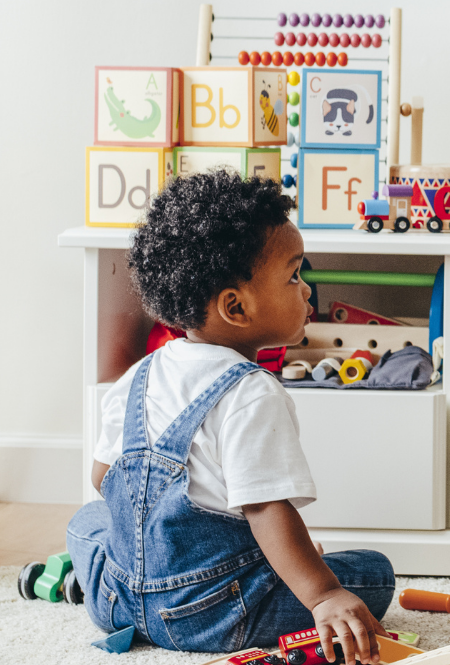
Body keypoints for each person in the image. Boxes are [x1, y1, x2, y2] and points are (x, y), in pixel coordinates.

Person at [63, 171, 394, 659]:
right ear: (235, 306)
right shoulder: (251, 393)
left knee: (87, 522)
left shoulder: (141, 373)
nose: (306, 291)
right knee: (372, 574)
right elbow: (266, 509)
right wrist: (323, 594)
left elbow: (102, 478)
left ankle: (88, 585)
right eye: (293, 275)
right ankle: (306, 586)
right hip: (213, 615)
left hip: (120, 601)